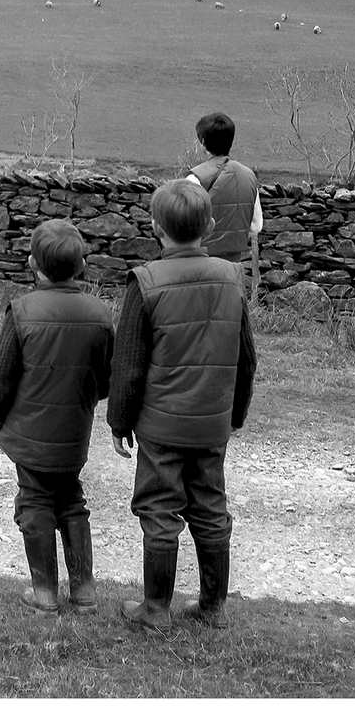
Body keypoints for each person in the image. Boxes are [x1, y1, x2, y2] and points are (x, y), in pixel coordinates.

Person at [107, 178, 257, 630]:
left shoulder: (146, 282)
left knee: (158, 509)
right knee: (210, 509)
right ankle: (212, 607)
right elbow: (246, 358)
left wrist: (119, 420)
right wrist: (235, 414)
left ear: (155, 227)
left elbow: (128, 363)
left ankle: (155, 609)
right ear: (210, 225)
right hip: (211, 424)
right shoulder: (233, 277)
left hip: (161, 427)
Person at [0, 219, 115, 614]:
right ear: (82, 266)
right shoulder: (100, 314)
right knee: (72, 500)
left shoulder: (23, 312)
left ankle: (44, 593)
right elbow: (107, 379)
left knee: (35, 502)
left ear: (31, 264)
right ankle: (84, 592)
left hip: (29, 434)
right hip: (74, 432)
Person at [186, 111, 261, 296]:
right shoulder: (249, 176)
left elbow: (183, 229)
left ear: (203, 142)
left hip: (199, 268)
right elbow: (256, 226)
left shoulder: (194, 179)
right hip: (233, 270)